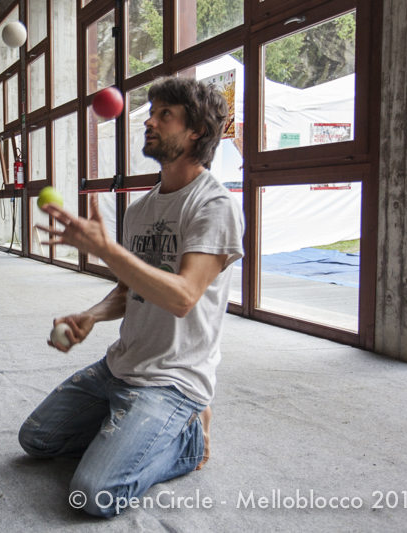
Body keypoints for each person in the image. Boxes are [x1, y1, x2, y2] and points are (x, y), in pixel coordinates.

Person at [18, 76, 245, 518]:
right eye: (151, 112)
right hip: (119, 366)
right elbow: (130, 290)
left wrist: (106, 249)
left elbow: (182, 297)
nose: (150, 122)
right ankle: (131, 433)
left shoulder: (214, 205)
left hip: (173, 380)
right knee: (37, 440)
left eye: (165, 115)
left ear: (196, 130)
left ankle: (187, 436)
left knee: (93, 494)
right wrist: (91, 315)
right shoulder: (141, 209)